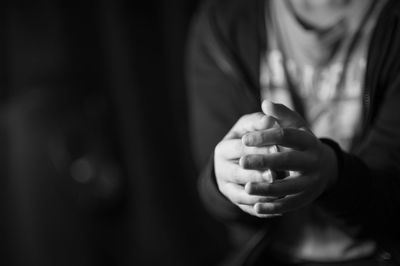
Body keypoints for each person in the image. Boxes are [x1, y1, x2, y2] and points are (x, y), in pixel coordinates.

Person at [186, 0, 400, 265]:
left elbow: (391, 201)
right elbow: (213, 193)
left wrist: (332, 173)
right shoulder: (224, 21)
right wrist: (225, 181)